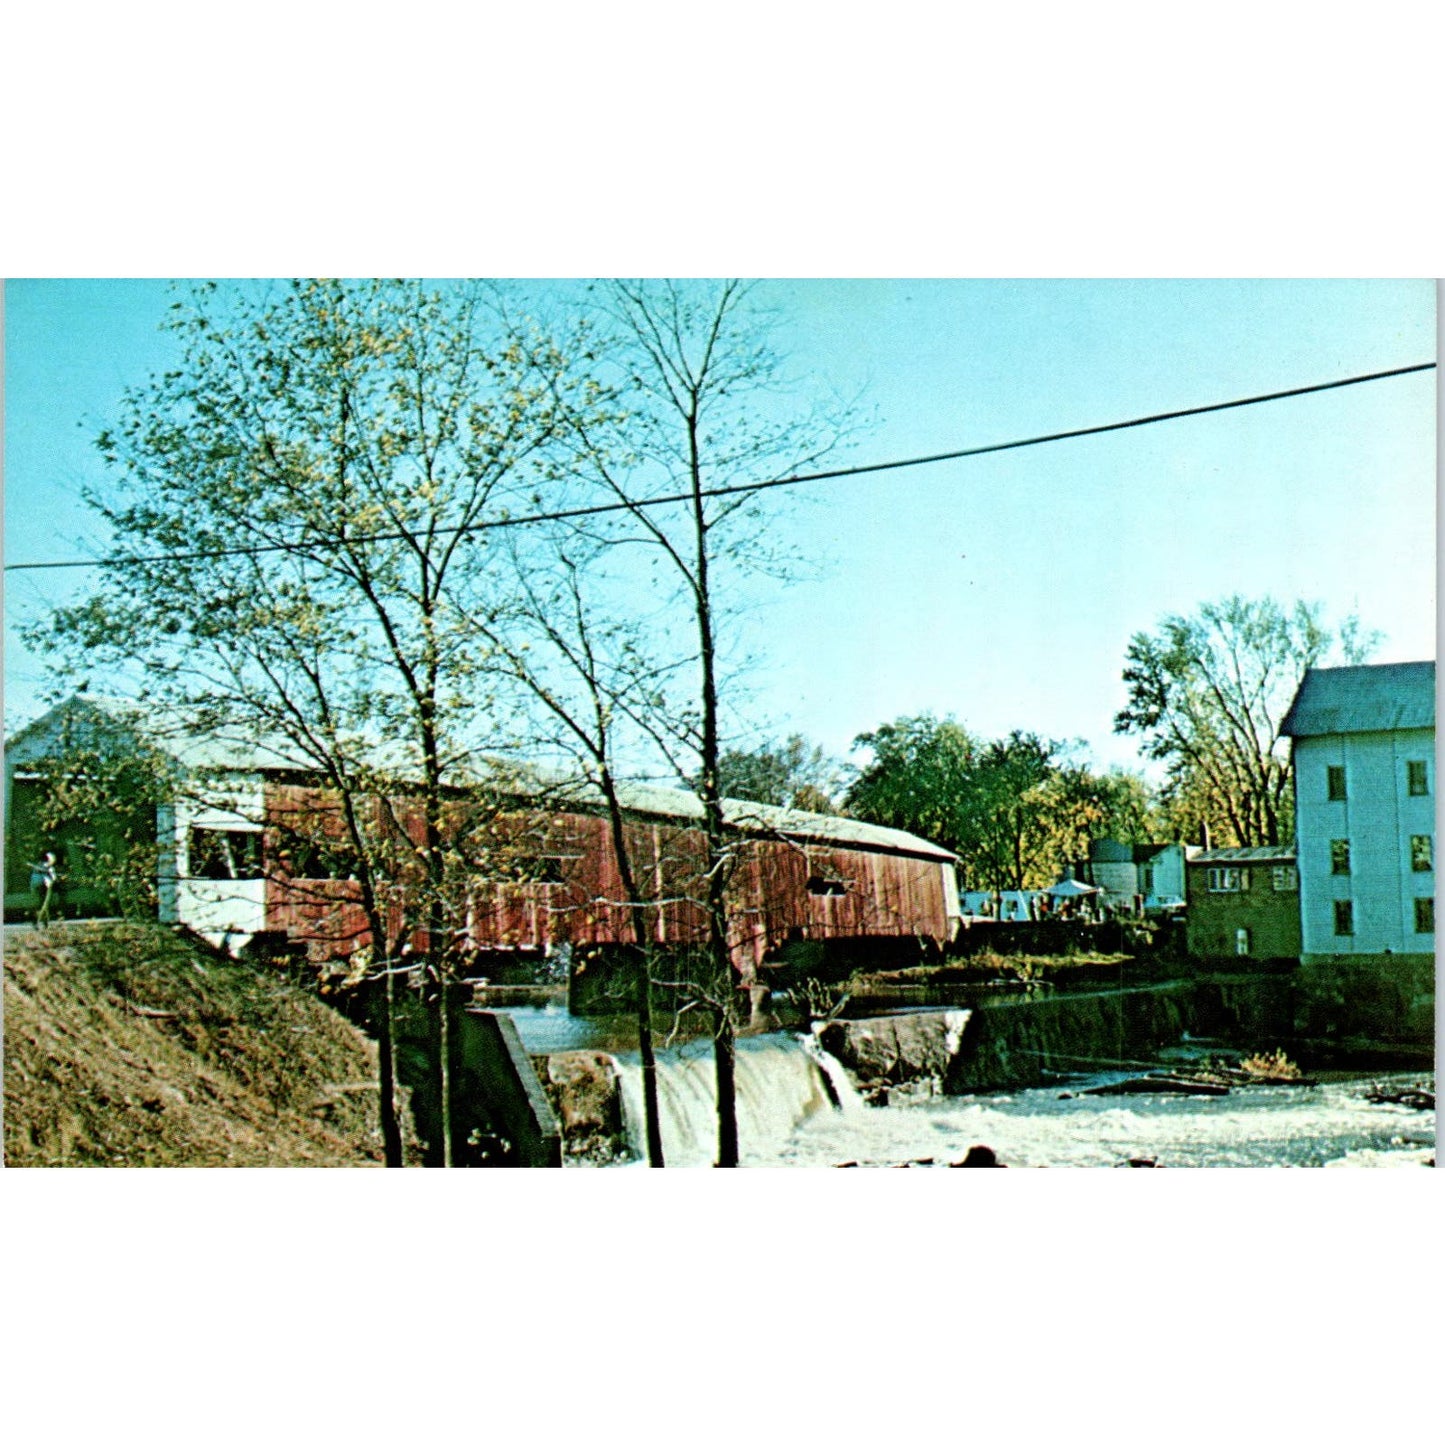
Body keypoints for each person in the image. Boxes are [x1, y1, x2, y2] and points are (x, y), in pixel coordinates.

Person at [31, 851, 59, 928]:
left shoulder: (38, 865)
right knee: (43, 904)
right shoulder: (49, 867)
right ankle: (37, 921)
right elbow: (54, 878)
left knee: (42, 903)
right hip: (44, 885)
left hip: (35, 885)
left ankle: (45, 922)